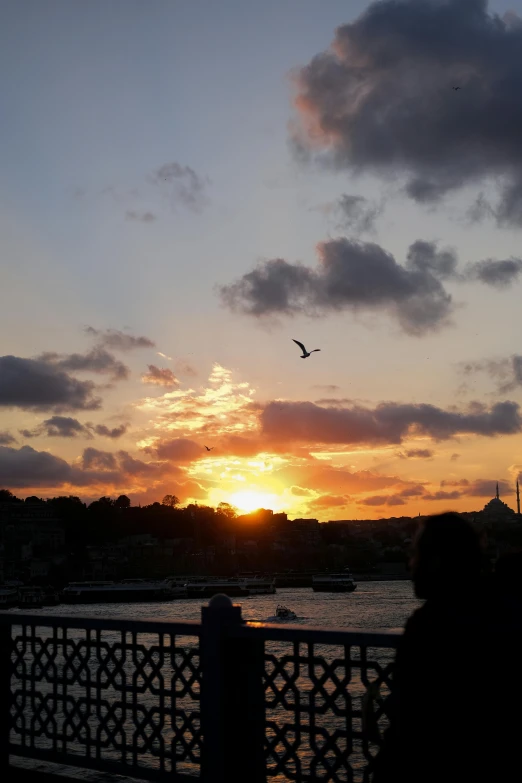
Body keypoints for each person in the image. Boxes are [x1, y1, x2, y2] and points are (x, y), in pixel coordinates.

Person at [372, 513, 496, 783]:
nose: (410, 566)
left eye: (416, 555)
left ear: (436, 561)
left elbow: (410, 721)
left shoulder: (430, 625)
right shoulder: (499, 612)